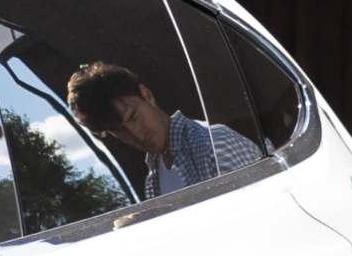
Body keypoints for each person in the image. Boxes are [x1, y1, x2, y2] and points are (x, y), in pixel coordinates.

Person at [66, 61, 262, 196]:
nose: (136, 133)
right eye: (120, 131)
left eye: (134, 117)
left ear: (147, 95)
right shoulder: (155, 176)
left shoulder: (213, 143)